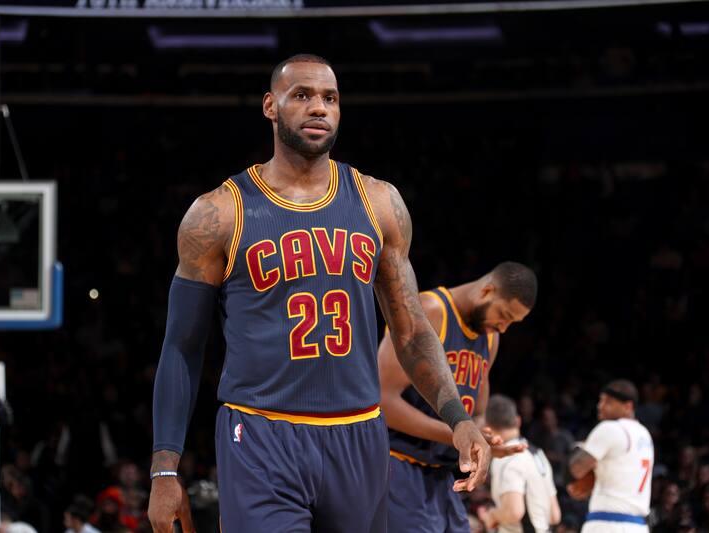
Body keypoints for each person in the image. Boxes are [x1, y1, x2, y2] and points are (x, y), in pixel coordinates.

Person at [148, 53, 490, 533]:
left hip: (359, 435)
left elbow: (412, 332)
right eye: (302, 96)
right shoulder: (218, 214)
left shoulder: (379, 202)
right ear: (270, 106)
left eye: (329, 98)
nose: (318, 108)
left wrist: (459, 418)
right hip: (263, 436)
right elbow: (182, 348)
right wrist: (165, 468)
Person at [378, 263, 537, 532]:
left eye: (513, 322)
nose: (504, 328)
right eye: (504, 315)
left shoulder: (489, 338)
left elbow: (477, 414)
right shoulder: (430, 310)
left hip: (442, 476)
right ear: (487, 291)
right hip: (397, 465)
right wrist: (455, 433)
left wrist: (485, 444)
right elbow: (381, 399)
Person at [568, 379, 654, 532]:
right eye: (600, 400)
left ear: (628, 406)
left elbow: (575, 469)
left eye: (608, 402)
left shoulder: (610, 428)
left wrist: (578, 448)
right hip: (638, 526)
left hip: (607, 524)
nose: (600, 406)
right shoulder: (644, 434)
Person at [477, 394, 561, 532]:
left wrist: (491, 516)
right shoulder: (538, 454)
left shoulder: (507, 456)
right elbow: (554, 516)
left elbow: (514, 512)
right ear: (518, 421)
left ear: (487, 428)